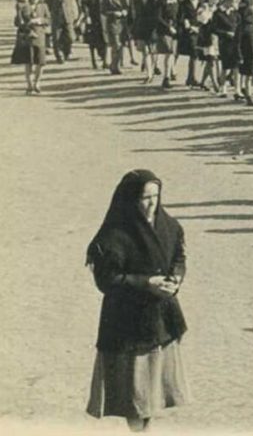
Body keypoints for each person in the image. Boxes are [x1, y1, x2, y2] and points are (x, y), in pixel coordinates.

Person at [85, 170, 189, 432]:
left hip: (160, 322)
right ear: (130, 200)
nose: (152, 203)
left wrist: (175, 280)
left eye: (155, 196)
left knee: (153, 396)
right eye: (145, 197)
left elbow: (179, 258)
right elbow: (106, 281)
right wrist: (146, 283)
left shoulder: (170, 226)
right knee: (135, 398)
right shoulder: (113, 236)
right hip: (127, 325)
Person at [11, 0, 49, 94]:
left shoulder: (43, 6)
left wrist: (40, 20)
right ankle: (29, 84)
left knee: (40, 62)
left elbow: (49, 19)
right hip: (28, 37)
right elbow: (17, 23)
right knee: (28, 62)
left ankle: (37, 82)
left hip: (40, 36)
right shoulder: (24, 7)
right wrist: (19, 12)